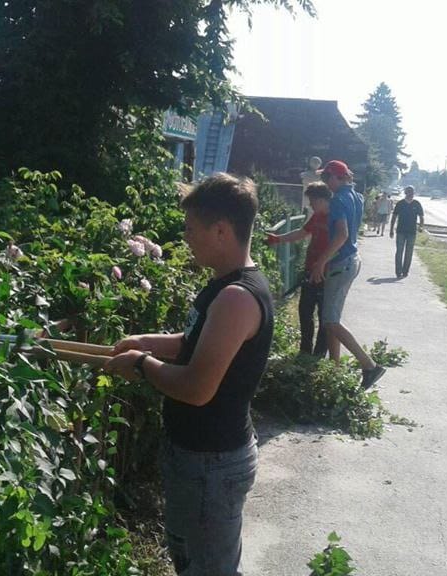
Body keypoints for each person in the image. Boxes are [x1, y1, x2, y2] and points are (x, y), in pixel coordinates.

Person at [103, 173, 274, 576]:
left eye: (190, 229)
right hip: (201, 460)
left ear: (220, 230)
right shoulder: (226, 286)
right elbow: (196, 342)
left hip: (210, 464)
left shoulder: (236, 297)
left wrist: (142, 366)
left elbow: (198, 388)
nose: (185, 238)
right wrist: (147, 341)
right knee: (197, 562)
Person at [310, 160, 386, 389]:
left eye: (327, 179)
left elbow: (341, 235)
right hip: (351, 261)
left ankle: (369, 366)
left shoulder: (339, 201)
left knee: (330, 320)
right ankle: (335, 368)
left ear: (336, 177)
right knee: (331, 319)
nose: (325, 184)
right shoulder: (357, 196)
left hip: (341, 263)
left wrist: (319, 262)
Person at [266, 182, 332, 356]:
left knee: (325, 316)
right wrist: (278, 238)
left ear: (322, 199)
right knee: (305, 311)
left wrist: (322, 265)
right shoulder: (317, 216)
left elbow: (340, 244)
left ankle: (318, 355)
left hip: (328, 274)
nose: (310, 205)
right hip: (311, 271)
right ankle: (305, 351)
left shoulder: (336, 218)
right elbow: (302, 232)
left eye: (312, 201)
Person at [389, 185, 425, 278]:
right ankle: (398, 271)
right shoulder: (400, 203)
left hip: (412, 232)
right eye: (409, 192)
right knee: (399, 251)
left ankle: (405, 271)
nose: (411, 194)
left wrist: (421, 227)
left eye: (412, 192)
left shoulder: (416, 204)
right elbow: (394, 217)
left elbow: (421, 217)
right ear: (405, 193)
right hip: (401, 231)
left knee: (409, 252)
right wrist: (391, 229)